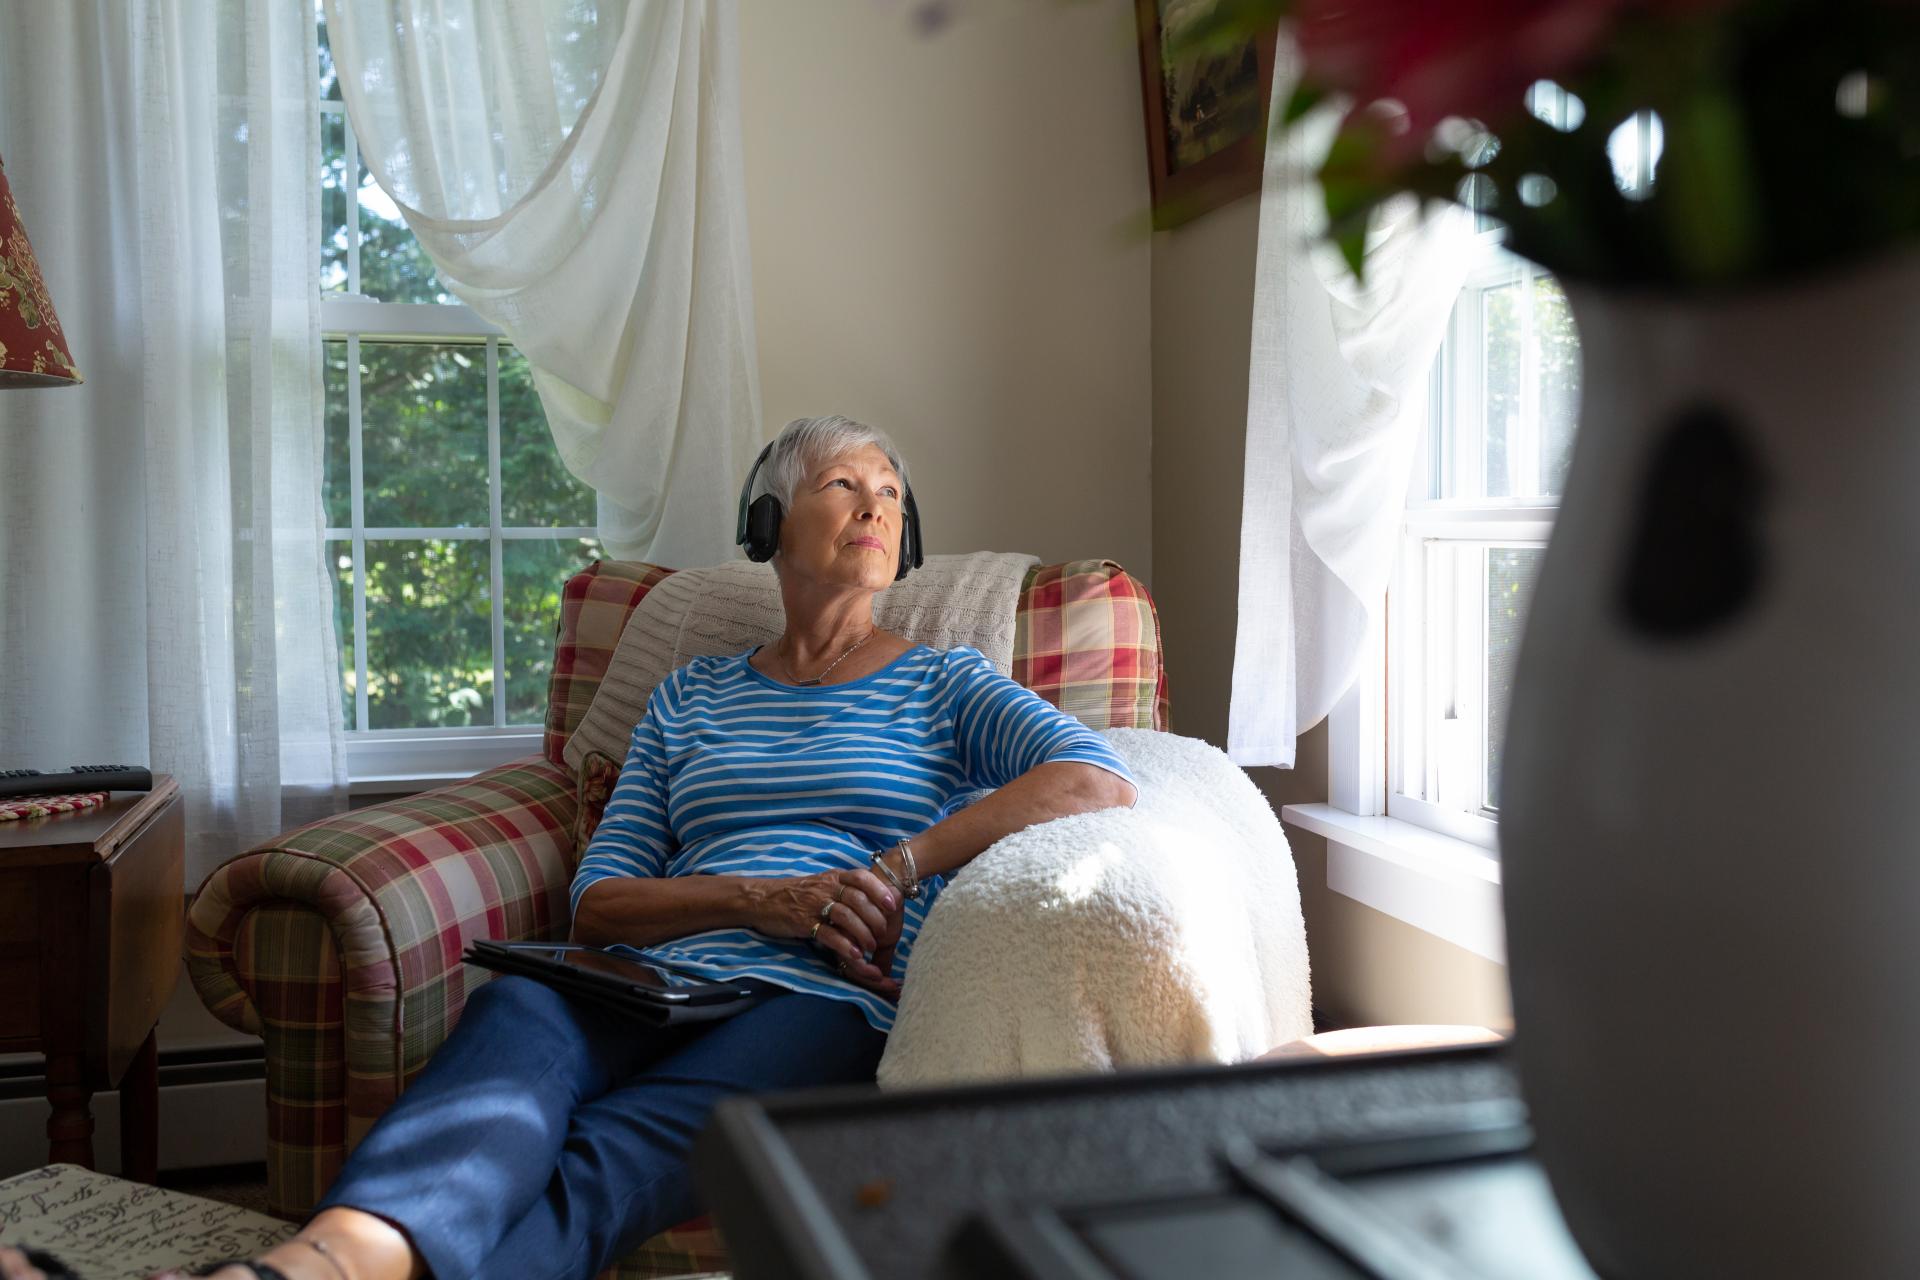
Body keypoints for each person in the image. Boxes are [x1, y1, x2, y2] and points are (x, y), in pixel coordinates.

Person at [0, 416, 1137, 1280]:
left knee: (613, 1150)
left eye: (892, 491)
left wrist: (896, 867)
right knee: (515, 1020)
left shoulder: (947, 680)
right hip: (650, 971)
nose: (878, 504)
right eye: (845, 482)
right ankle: (320, 1260)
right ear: (765, 524)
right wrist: (757, 896)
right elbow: (600, 901)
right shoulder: (691, 696)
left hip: (820, 998)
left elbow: (1096, 778)